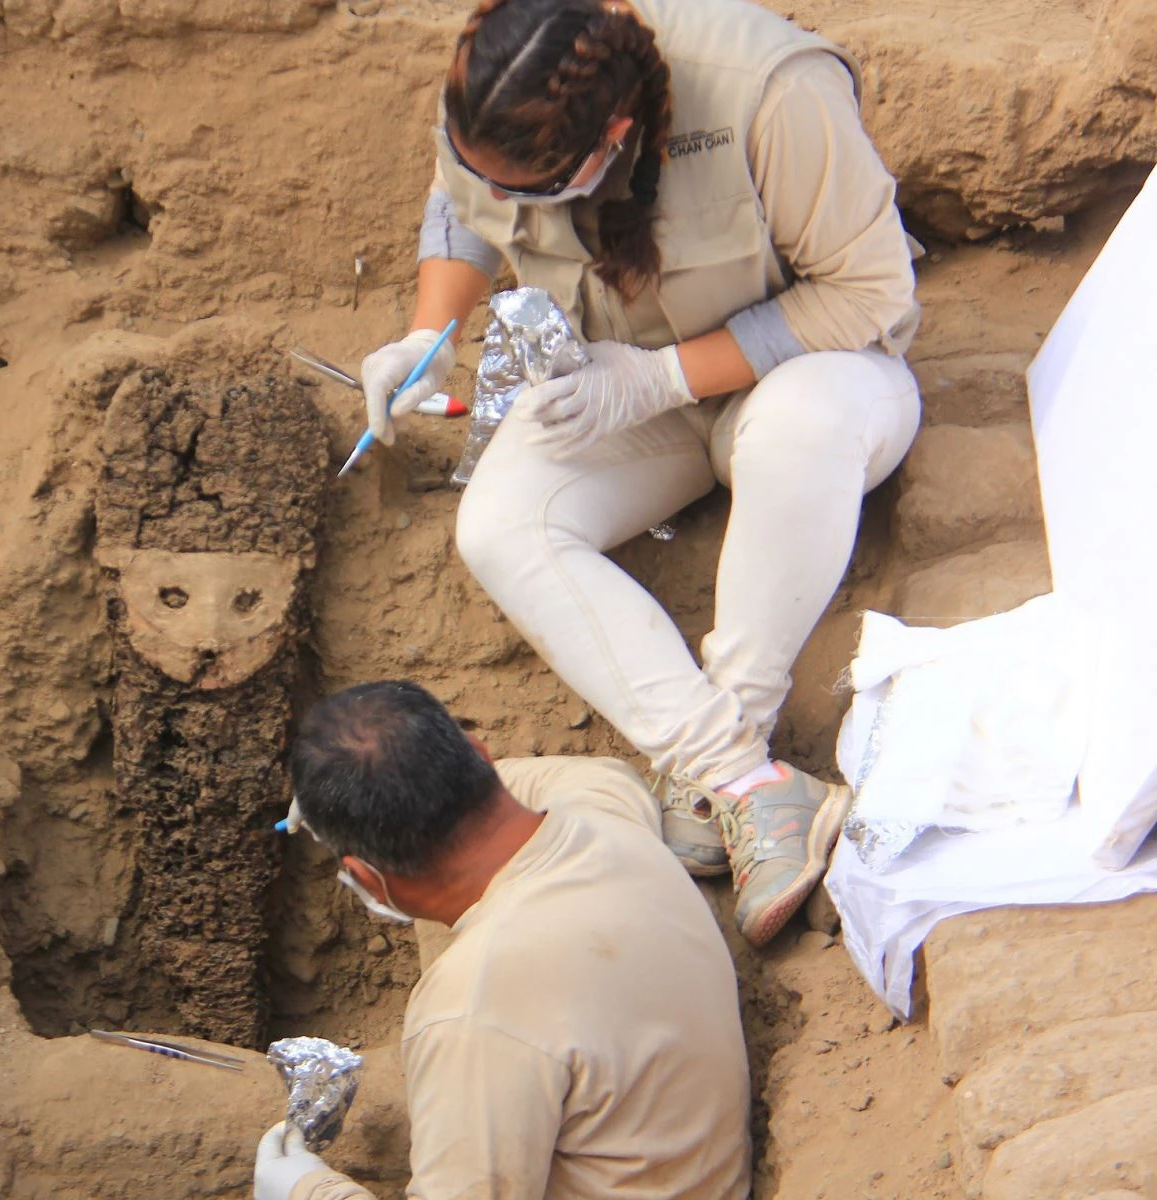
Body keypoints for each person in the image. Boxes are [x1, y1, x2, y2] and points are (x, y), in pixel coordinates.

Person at [359, 0, 921, 945]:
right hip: (623, 386)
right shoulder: (502, 81)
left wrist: (662, 377)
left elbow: (867, 293)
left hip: (814, 373)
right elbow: (461, 201)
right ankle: (742, 780)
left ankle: (733, 736)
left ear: (612, 139)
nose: (521, 214)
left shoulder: (772, 92)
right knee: (502, 524)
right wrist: (430, 330)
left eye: (543, 193)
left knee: (797, 428)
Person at [254, 680, 751, 1200]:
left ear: (367, 877)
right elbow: (593, 773)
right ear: (481, 755)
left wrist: (306, 1191)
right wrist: (412, 773)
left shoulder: (474, 1009)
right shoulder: (606, 814)